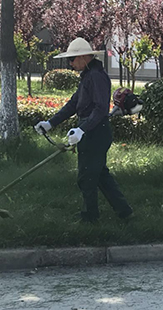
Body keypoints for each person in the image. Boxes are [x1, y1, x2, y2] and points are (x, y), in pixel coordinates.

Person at [35, 38, 133, 222]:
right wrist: (50, 123)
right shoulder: (88, 76)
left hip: (96, 132)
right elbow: (74, 104)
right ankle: (124, 211)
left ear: (83, 57)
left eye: (71, 59)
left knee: (86, 177)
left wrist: (82, 129)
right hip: (92, 130)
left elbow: (100, 109)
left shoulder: (96, 77)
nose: (70, 63)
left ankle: (90, 218)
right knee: (100, 175)